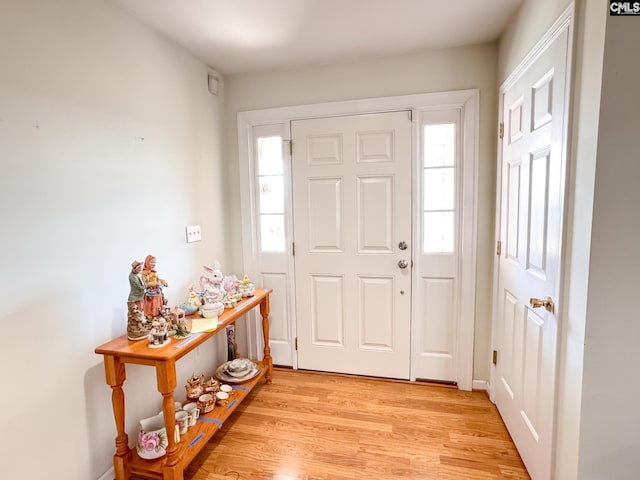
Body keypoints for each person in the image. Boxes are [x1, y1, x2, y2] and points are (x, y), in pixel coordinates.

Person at [127, 260, 150, 341]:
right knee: (137, 315)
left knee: (140, 312)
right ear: (135, 269)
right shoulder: (132, 277)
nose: (140, 269)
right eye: (139, 268)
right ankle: (136, 330)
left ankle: (141, 328)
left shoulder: (136, 275)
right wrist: (147, 280)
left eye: (141, 267)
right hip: (135, 299)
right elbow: (141, 287)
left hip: (139, 298)